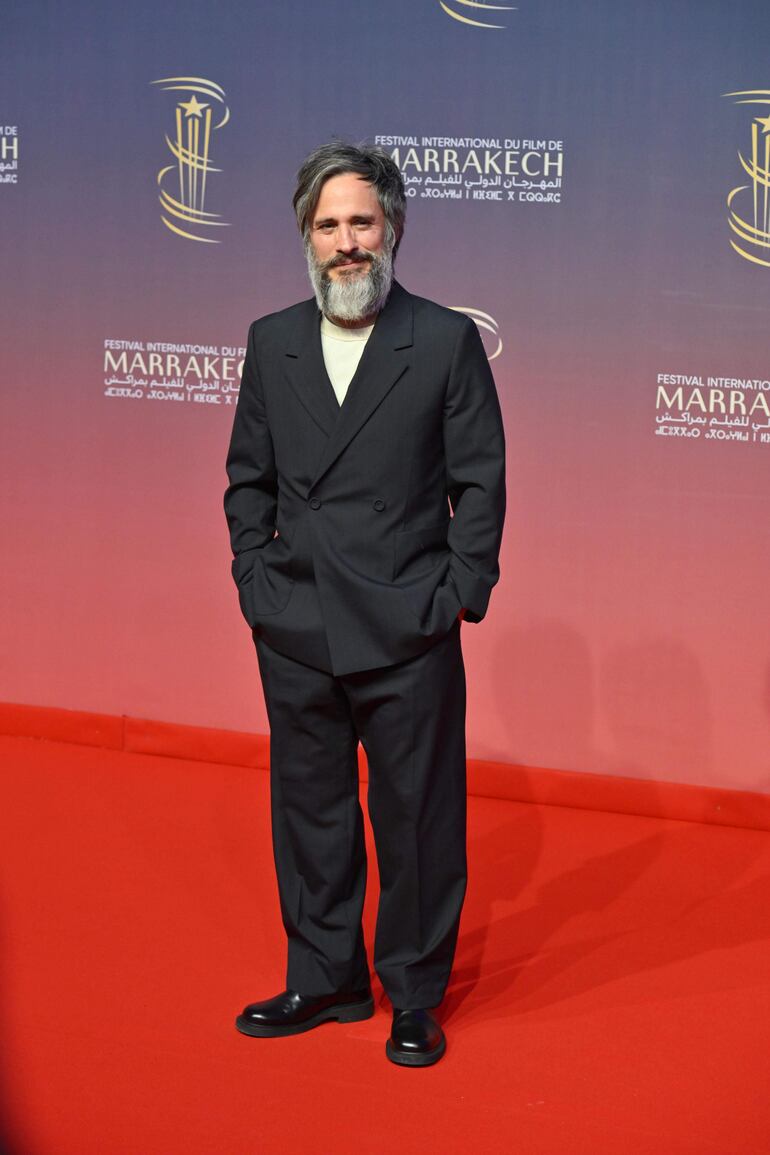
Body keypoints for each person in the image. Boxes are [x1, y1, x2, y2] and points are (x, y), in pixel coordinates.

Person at [224, 141, 506, 1067]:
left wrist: (456, 596)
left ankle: (414, 996)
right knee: (309, 811)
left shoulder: (444, 339)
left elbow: (481, 483)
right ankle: (327, 975)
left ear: (393, 229)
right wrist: (255, 585)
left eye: (362, 222)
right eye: (328, 225)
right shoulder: (272, 341)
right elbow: (246, 480)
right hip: (297, 623)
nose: (346, 243)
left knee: (417, 820)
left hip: (407, 627)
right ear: (306, 236)